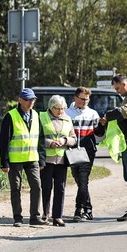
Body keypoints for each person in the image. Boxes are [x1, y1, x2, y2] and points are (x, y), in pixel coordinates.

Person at [97, 75, 127, 221]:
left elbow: (126, 112)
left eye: (118, 88)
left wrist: (107, 116)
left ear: (124, 84)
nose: (117, 91)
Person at [0, 88, 46, 227]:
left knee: (37, 186)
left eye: (33, 99)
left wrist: (42, 158)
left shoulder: (36, 115)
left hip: (32, 158)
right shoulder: (11, 116)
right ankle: (17, 217)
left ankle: (35, 217)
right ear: (20, 100)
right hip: (15, 160)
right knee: (16, 189)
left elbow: (41, 139)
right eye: (28, 99)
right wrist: (4, 162)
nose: (31, 102)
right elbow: (4, 141)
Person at [40, 95, 77, 227]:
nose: (60, 111)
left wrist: (65, 141)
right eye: (58, 109)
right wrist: (49, 142)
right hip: (47, 159)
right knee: (46, 187)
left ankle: (58, 216)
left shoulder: (67, 119)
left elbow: (74, 138)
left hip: (62, 159)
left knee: (60, 189)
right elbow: (36, 138)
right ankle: (45, 214)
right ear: (51, 107)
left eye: (62, 108)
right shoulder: (42, 117)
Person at [66, 87, 99, 221]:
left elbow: (99, 134)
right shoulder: (67, 113)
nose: (85, 102)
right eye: (82, 99)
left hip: (88, 152)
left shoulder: (92, 113)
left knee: (83, 180)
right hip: (72, 151)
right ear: (75, 98)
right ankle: (88, 209)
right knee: (79, 180)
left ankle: (79, 210)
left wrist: (101, 127)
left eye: (87, 99)